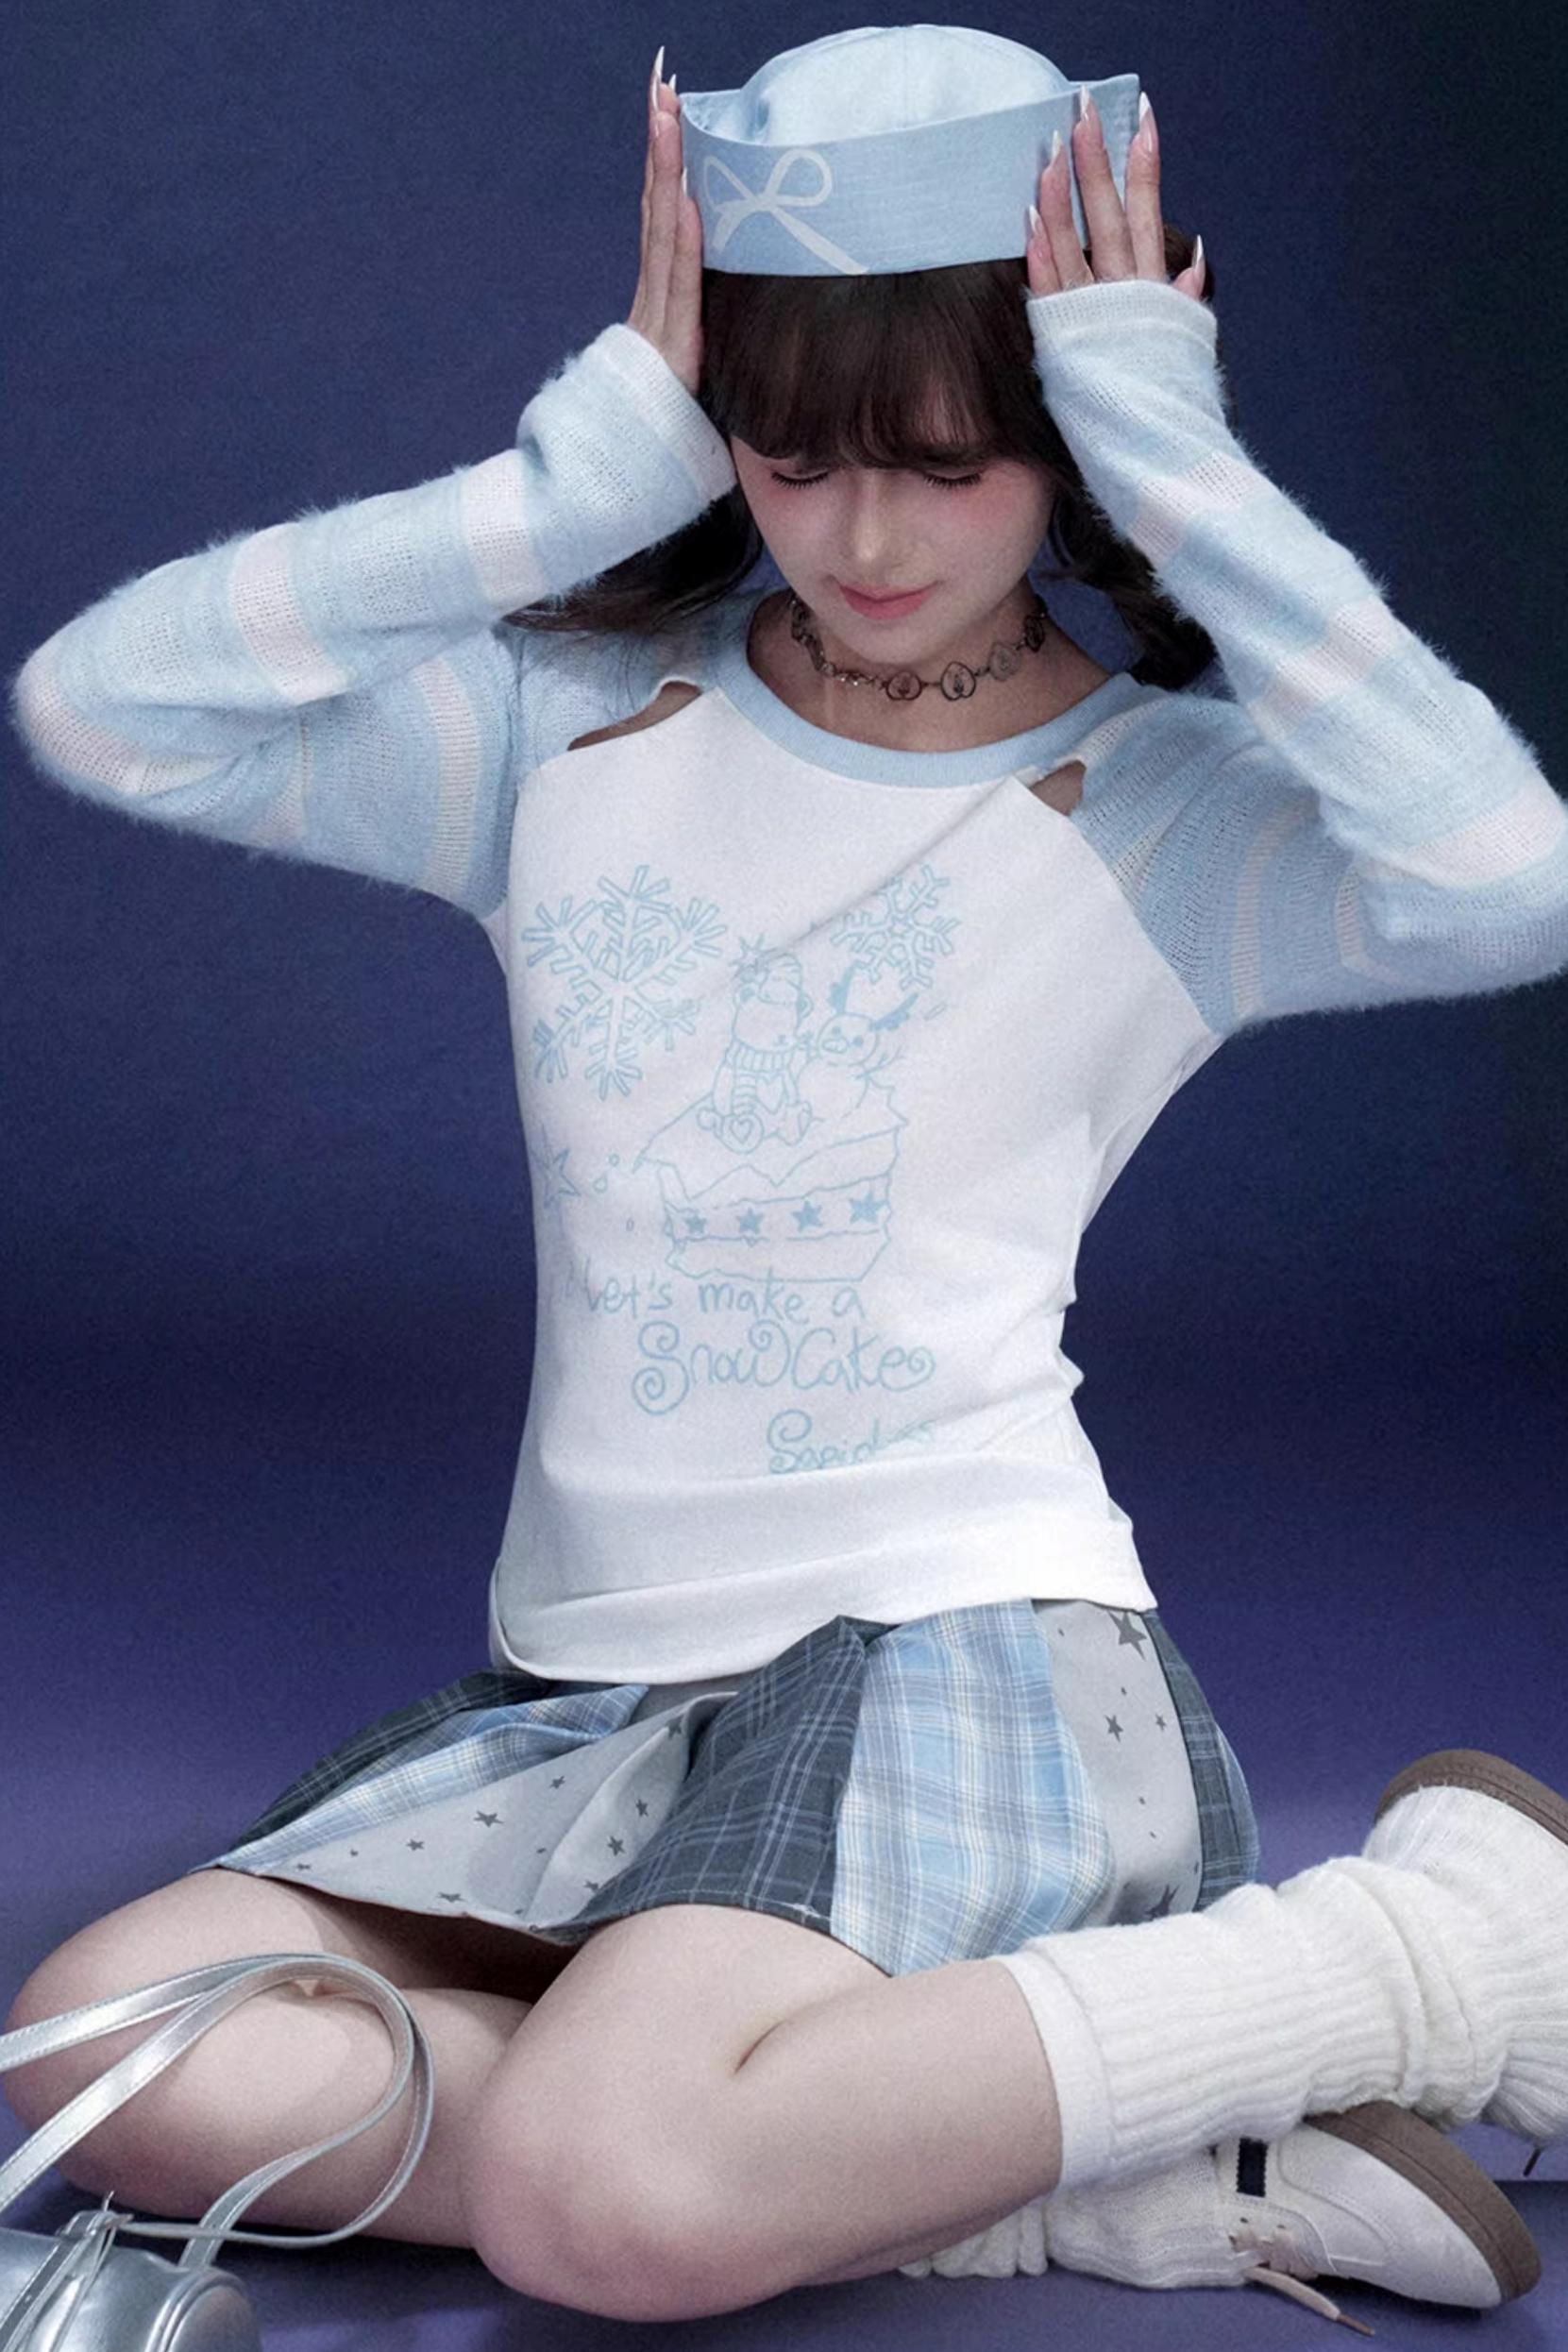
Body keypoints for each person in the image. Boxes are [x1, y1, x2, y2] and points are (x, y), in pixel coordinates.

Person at [4, 22, 1566, 2334]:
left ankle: (1440, 1951)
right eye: (794, 450)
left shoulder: (1163, 814)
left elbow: (1514, 876)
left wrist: (1179, 454)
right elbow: (100, 702)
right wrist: (560, 489)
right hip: (605, 1700)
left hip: (966, 1650)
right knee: (99, 2052)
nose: (864, 537)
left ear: (1062, 435)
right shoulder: (565, 735)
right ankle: (1030, 2164)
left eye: (952, 460)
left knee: (598, 2197)